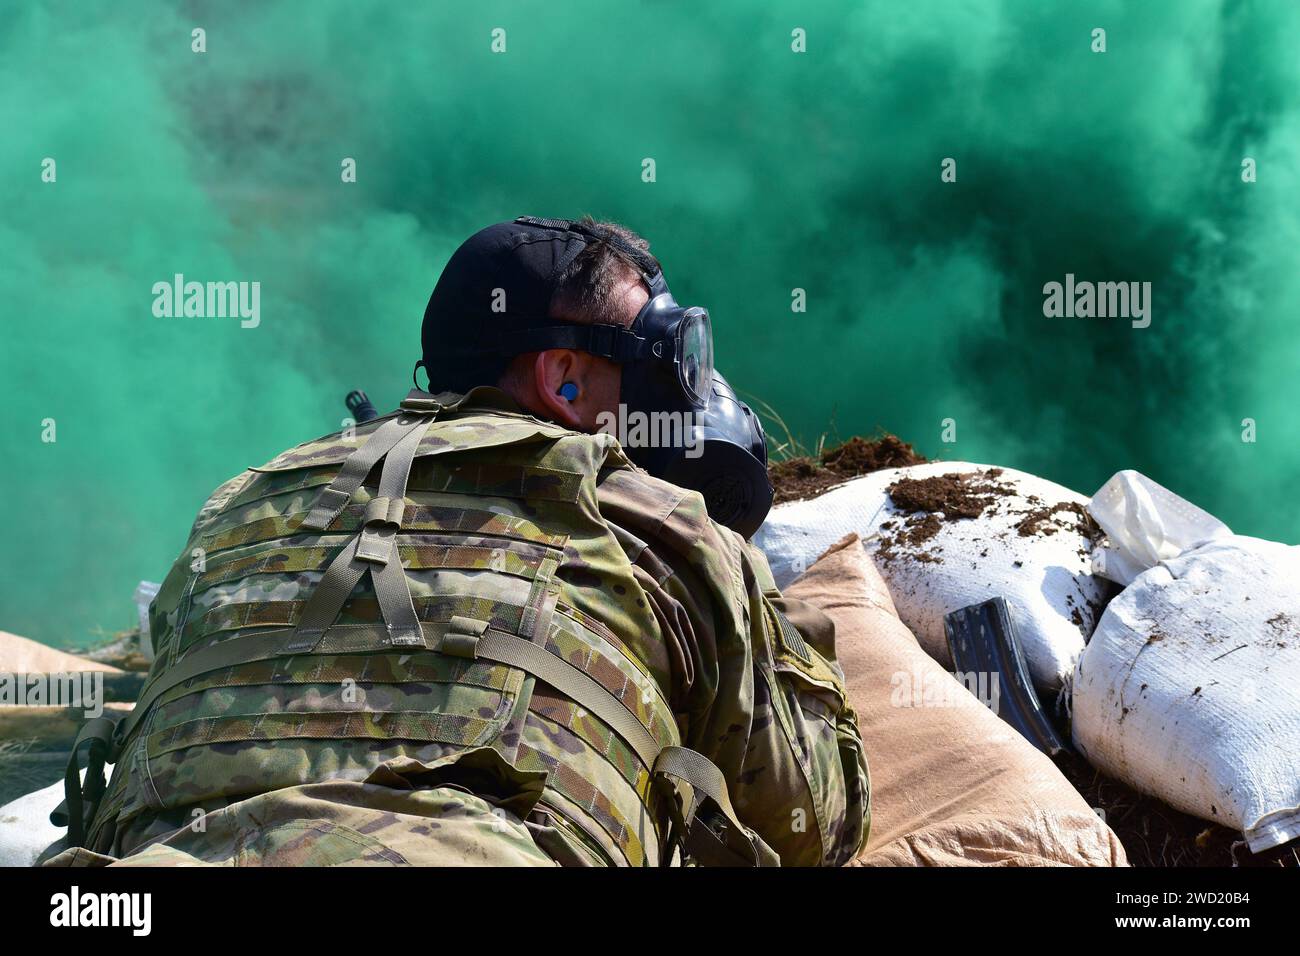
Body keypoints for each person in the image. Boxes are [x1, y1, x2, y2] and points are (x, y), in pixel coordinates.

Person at [50, 216, 869, 867]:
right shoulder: (654, 523)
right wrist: (766, 615)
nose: (680, 391)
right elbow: (813, 821)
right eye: (663, 359)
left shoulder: (243, 500)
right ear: (565, 379)